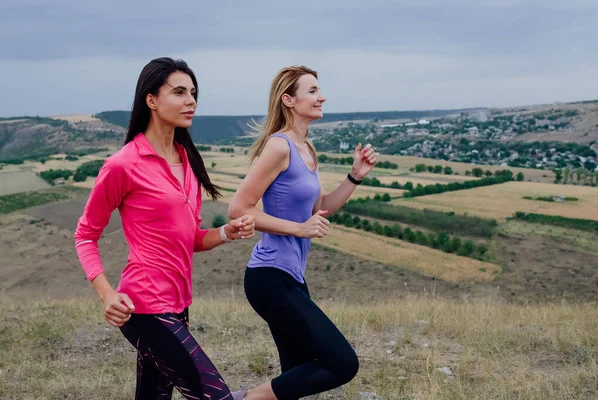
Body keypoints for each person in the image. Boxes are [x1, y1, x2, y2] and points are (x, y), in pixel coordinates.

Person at [74, 57, 253, 400]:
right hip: (144, 306)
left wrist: (227, 232)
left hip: (179, 303)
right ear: (151, 99)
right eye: (180, 92)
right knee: (216, 395)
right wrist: (107, 294)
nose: (191, 101)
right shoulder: (123, 164)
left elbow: (191, 239)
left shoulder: (186, 161)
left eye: (194, 93)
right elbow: (85, 235)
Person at [228, 66, 377, 400]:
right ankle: (243, 398)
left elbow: (319, 208)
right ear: (289, 100)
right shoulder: (279, 147)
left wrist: (355, 177)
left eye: (318, 90)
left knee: (295, 374)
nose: (321, 96)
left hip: (292, 276)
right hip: (268, 277)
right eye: (312, 91)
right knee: (342, 363)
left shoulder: (307, 149)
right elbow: (239, 209)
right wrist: (298, 229)